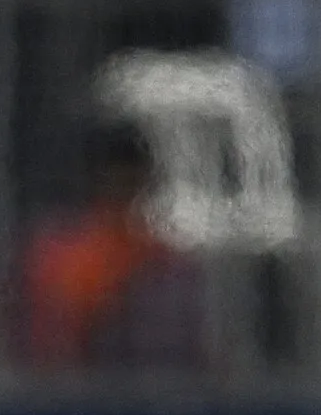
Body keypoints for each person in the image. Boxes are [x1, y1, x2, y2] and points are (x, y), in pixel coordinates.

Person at [21, 130, 204, 371]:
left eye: (131, 182)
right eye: (117, 180)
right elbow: (45, 341)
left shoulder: (165, 260)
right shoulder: (62, 256)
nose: (123, 191)